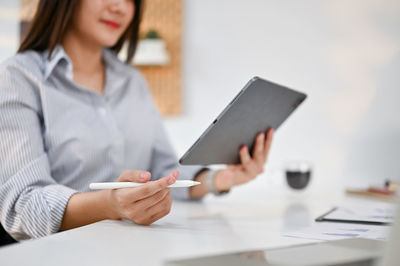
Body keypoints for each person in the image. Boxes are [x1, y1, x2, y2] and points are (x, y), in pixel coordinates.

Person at [0, 0, 273, 241]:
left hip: (134, 250)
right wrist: (110, 205)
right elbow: (23, 205)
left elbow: (163, 169)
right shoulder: (18, 78)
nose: (120, 7)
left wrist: (221, 179)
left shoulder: (132, 81)